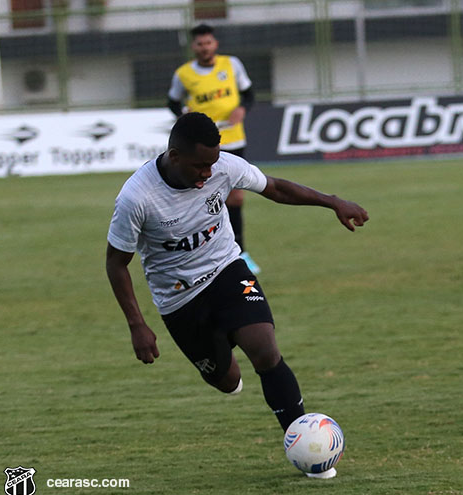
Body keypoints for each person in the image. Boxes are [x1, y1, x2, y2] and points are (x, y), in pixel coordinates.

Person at [106, 112, 369, 478]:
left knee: (265, 350)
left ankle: (308, 448)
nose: (208, 173)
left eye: (212, 164)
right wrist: (137, 324)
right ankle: (222, 362)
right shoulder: (137, 197)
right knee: (226, 380)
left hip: (227, 271)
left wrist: (332, 202)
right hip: (179, 299)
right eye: (200, 166)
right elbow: (116, 263)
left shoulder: (224, 167)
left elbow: (275, 188)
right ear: (175, 156)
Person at [167, 23, 261, 274]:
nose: (204, 47)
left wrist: (242, 109)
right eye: (200, 44)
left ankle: (241, 252)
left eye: (208, 42)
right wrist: (183, 114)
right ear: (194, 47)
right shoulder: (183, 74)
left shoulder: (232, 64)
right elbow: (172, 102)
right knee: (201, 197)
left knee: (236, 197)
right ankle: (198, 253)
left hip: (233, 138)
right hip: (201, 145)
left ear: (215, 44)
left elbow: (249, 95)